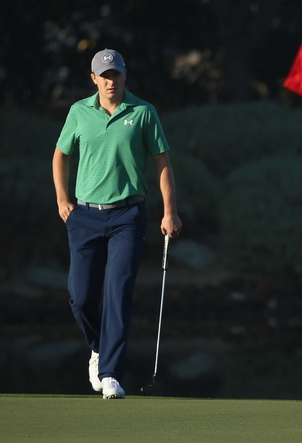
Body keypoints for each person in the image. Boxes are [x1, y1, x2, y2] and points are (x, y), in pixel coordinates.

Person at [52, 49, 182, 399]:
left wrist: (169, 211)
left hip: (128, 215)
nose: (111, 81)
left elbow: (162, 163)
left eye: (116, 74)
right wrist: (63, 200)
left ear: (124, 75)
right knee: (81, 298)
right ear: (94, 79)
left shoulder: (143, 112)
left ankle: (110, 373)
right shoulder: (79, 111)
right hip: (84, 216)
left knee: (117, 292)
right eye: (105, 76)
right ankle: (98, 347)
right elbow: (61, 155)